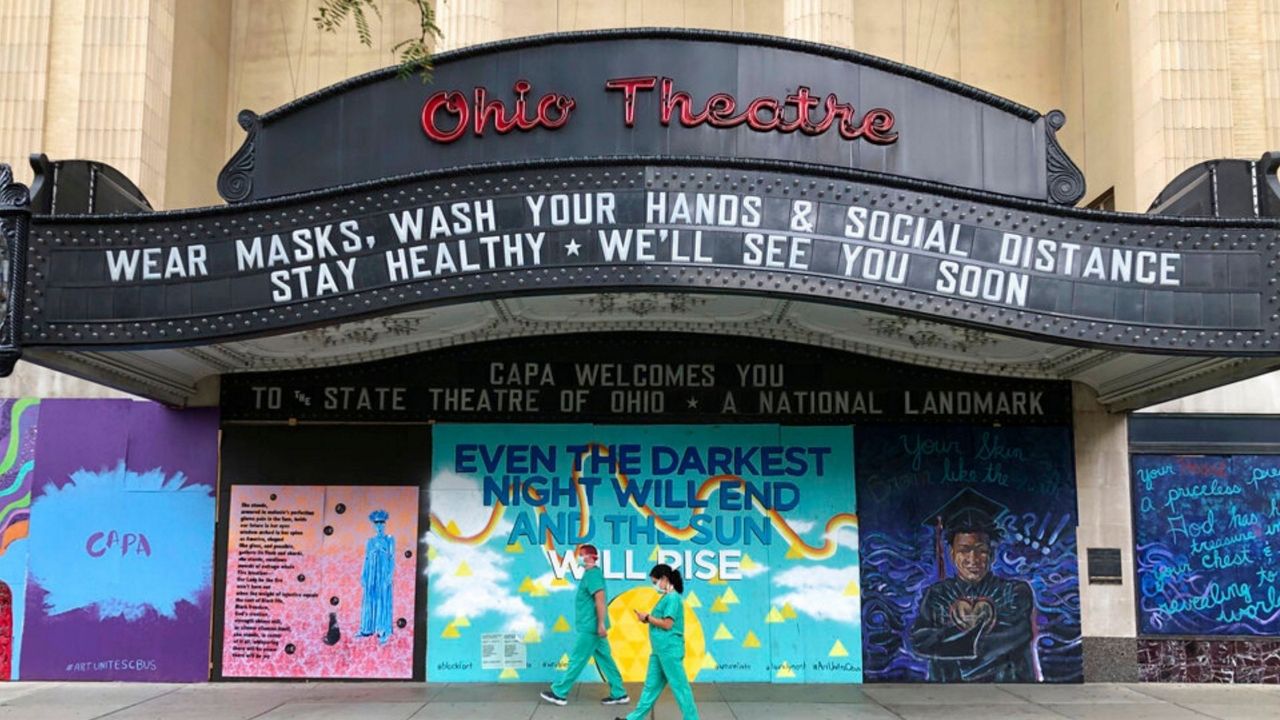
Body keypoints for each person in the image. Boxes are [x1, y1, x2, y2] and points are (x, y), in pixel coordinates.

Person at [908, 488, 1040, 682]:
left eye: (981, 550)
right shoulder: (936, 595)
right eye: (964, 550)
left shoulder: (1015, 591)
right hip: (947, 692)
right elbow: (919, 641)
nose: (973, 558)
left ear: (992, 554)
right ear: (952, 554)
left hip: (1007, 690)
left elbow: (1014, 634)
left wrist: (985, 612)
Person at [540, 544, 629, 706]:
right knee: (605, 659)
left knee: (577, 659)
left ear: (589, 557)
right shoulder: (592, 574)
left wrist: (601, 624)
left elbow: (600, 598)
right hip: (594, 626)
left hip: (591, 627)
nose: (578, 558)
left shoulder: (592, 575)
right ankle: (619, 693)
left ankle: (560, 692)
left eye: (580, 555)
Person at [616, 564, 700, 720]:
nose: (655, 586)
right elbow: (661, 622)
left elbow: (668, 624)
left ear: (665, 579)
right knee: (650, 687)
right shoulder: (666, 598)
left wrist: (647, 618)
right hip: (659, 651)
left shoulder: (673, 598)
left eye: (655, 582)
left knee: (680, 688)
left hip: (669, 651)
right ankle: (633, 718)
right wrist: (647, 620)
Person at [358, 508, 395, 644]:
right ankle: (366, 629)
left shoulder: (389, 539)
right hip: (371, 573)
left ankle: (382, 630)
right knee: (369, 598)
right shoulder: (370, 541)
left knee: (382, 599)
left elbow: (392, 558)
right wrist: (363, 575)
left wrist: (390, 574)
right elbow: (366, 559)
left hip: (383, 573)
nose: (379, 526)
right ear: (374, 525)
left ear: (385, 524)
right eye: (377, 523)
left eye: (382, 523)